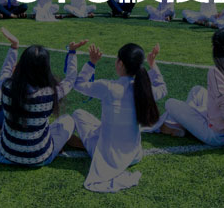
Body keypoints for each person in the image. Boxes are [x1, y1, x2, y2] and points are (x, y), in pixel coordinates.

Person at [69, 43, 166, 193]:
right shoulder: (145, 90)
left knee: (78, 113)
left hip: (108, 157)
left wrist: (92, 63)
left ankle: (85, 143)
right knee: (101, 126)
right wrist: (153, 65)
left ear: (120, 63)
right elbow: (163, 89)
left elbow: (78, 84)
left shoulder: (108, 87)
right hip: (135, 155)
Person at [0, 39, 88, 166]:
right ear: (45, 68)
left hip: (6, 154)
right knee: (68, 120)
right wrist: (72, 52)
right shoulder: (52, 92)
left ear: (21, 65)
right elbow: (70, 80)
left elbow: (5, 71)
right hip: (40, 157)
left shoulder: (6, 86)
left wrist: (14, 47)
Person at [160, 29, 224, 148]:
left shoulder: (216, 71)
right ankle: (184, 126)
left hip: (218, 135)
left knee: (170, 103)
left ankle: (181, 126)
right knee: (197, 90)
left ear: (217, 49)